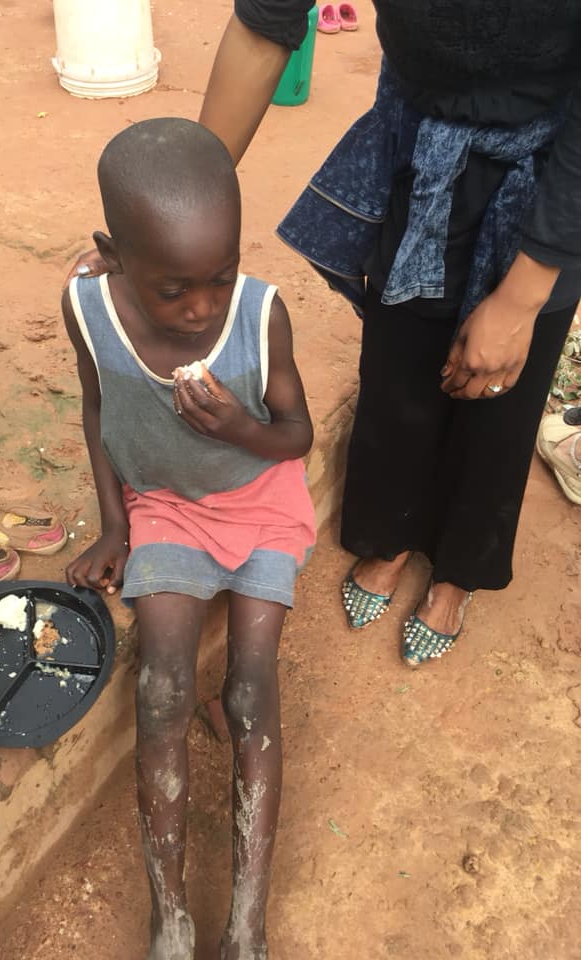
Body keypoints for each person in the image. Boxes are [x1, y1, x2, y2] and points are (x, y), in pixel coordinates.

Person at [190, 1, 581, 667]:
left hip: (553, 168)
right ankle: (392, 534)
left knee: (502, 390)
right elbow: (264, 24)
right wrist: (181, 205)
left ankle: (459, 570)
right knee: (401, 359)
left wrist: (519, 299)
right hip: (419, 141)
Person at [63, 118, 315, 960]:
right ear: (114, 253)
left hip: (259, 493)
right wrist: (113, 522)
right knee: (161, 685)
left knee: (250, 686)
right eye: (174, 288)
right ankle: (168, 913)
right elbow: (100, 408)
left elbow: (296, 439)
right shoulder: (86, 307)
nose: (202, 305)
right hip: (166, 503)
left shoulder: (259, 314)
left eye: (220, 274)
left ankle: (247, 920)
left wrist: (241, 427)